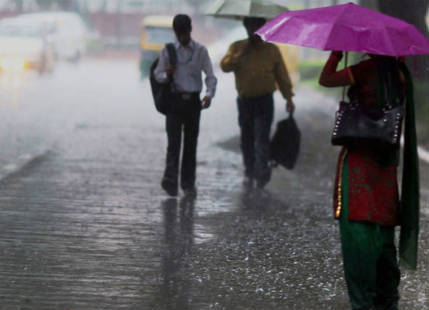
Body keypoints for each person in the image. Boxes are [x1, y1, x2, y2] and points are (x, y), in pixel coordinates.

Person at [319, 51, 419, 310]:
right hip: (385, 166)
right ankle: (387, 299)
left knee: (358, 232)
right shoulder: (400, 75)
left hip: (360, 164)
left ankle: (363, 301)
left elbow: (326, 79)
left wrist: (336, 55)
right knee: (384, 230)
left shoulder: (365, 69)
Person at [220, 17, 295, 189]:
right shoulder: (237, 47)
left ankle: (261, 172)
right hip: (245, 100)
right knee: (246, 137)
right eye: (251, 27)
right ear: (246, 28)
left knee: (262, 137)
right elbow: (225, 66)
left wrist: (289, 98)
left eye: (258, 27)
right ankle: (249, 168)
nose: (254, 31)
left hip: (264, 100)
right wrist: (240, 54)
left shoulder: (271, 50)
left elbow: (282, 76)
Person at [154, 14, 217, 197]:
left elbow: (210, 76)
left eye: (185, 32)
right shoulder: (168, 51)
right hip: (174, 102)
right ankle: (170, 181)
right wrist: (166, 74)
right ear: (175, 32)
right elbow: (158, 75)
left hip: (193, 104)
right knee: (173, 144)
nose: (183, 37)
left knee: (190, 144)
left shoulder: (200, 51)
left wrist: (209, 94)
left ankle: (188, 184)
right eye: (179, 33)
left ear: (191, 30)